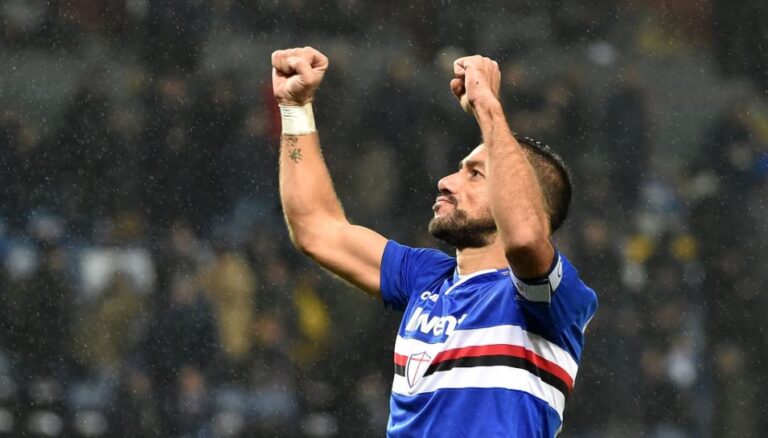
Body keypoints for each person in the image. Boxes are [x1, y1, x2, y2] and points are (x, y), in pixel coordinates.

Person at [271, 46, 598, 437]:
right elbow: (316, 227)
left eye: (475, 174)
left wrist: (488, 109)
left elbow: (526, 239)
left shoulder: (553, 299)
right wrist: (294, 107)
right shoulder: (426, 277)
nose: (446, 181)